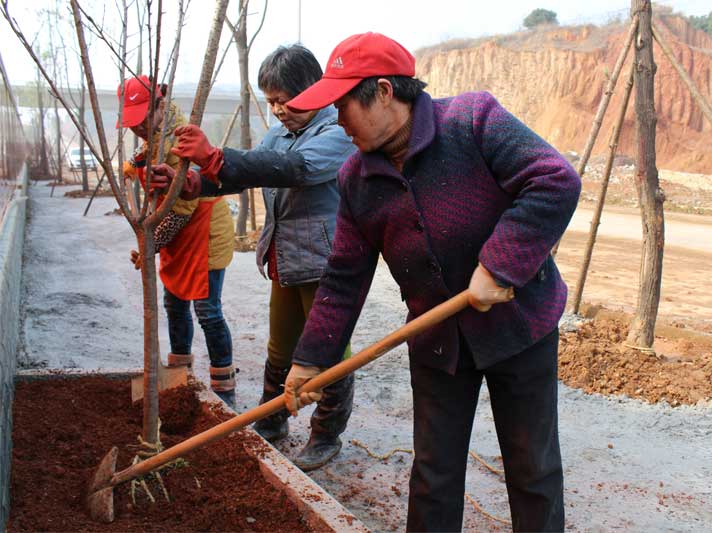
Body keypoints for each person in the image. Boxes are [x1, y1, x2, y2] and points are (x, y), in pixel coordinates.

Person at [279, 33, 581, 532]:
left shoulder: (472, 120)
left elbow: (554, 179)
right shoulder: (356, 178)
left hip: (518, 326)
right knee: (433, 474)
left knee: (533, 468)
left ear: (383, 92)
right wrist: (311, 359)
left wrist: (499, 264)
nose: (337, 120)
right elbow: (344, 276)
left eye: (342, 105)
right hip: (438, 338)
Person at [163, 45, 357, 471]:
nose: (277, 110)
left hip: (325, 263)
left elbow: (295, 169)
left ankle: (326, 434)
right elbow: (250, 169)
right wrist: (194, 182)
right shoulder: (280, 134)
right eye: (270, 101)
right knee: (280, 346)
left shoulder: (338, 132)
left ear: (312, 90)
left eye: (283, 100)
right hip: (285, 258)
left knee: (330, 349)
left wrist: (215, 158)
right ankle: (272, 419)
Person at [118, 75, 237, 408]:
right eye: (132, 122)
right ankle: (180, 380)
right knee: (174, 304)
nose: (138, 128)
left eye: (142, 119)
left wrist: (151, 245)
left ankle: (224, 388)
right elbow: (148, 150)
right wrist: (134, 164)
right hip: (176, 233)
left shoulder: (180, 139)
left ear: (160, 106)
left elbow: (183, 207)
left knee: (207, 310)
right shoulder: (157, 134)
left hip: (202, 230)